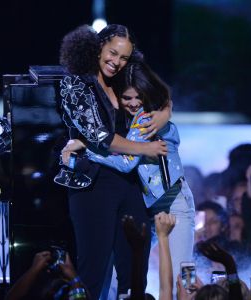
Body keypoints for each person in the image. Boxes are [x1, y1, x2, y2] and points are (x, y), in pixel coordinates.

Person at [58, 24, 171, 299]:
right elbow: (101, 137)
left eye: (123, 58)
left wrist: (164, 113)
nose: (116, 62)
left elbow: (160, 93)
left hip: (130, 181)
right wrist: (145, 148)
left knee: (135, 263)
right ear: (97, 46)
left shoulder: (123, 79)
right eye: (112, 53)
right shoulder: (74, 83)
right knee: (94, 267)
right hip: (93, 183)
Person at [75, 61, 195, 299]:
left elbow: (126, 162)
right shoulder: (127, 119)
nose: (132, 103)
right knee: (125, 278)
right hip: (144, 209)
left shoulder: (147, 119)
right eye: (126, 98)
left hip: (173, 205)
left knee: (183, 280)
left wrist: (84, 150)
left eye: (137, 97)